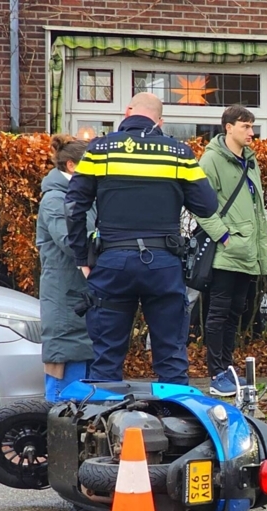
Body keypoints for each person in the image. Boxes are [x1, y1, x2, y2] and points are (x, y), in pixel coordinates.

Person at [64, 92, 218, 385]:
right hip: (163, 264)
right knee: (171, 355)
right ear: (160, 121)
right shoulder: (178, 153)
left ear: (127, 111)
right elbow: (208, 206)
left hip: (112, 262)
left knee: (106, 357)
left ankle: (104, 426)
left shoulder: (99, 150)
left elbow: (73, 207)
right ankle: (176, 424)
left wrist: (82, 256)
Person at [194, 104, 267, 397]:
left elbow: (256, 208)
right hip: (227, 252)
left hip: (248, 251)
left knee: (236, 312)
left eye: (252, 126)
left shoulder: (250, 160)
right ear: (228, 127)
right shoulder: (211, 160)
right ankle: (216, 372)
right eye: (245, 126)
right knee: (219, 312)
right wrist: (224, 236)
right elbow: (201, 205)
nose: (251, 132)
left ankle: (227, 367)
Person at [36, 134, 95, 400]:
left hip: (78, 297)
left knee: (80, 387)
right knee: (63, 389)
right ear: (71, 166)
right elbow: (72, 242)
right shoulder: (55, 199)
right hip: (66, 299)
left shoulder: (78, 196)